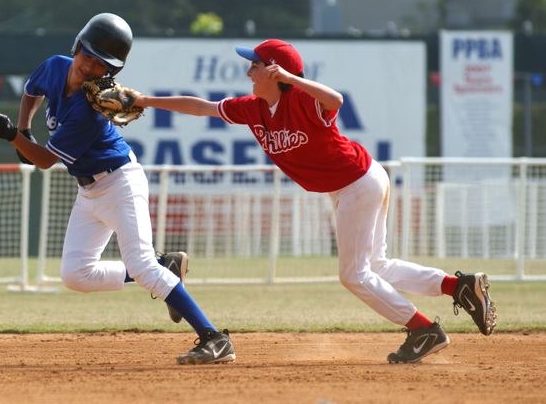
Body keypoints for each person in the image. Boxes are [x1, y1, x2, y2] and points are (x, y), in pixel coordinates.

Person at [134, 39, 497, 364]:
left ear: (276, 72)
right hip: (353, 183)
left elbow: (335, 100)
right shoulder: (253, 108)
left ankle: (423, 330)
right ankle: (457, 286)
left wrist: (294, 80)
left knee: (353, 275)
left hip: (359, 182)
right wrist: (146, 101)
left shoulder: (304, 100)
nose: (248, 71)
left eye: (255, 64)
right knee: (377, 266)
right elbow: (202, 108)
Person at [0, 13, 235, 365]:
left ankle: (214, 338)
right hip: (90, 191)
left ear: (111, 73)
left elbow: (45, 162)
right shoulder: (55, 66)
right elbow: (30, 92)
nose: (90, 67)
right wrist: (24, 130)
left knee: (142, 265)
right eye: (88, 56)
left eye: (102, 65)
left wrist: (14, 139)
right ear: (77, 47)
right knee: (75, 274)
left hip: (120, 182)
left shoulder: (90, 109)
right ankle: (166, 266)